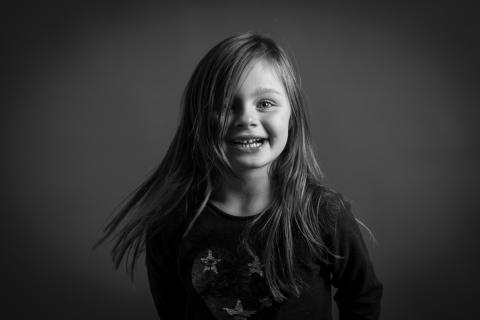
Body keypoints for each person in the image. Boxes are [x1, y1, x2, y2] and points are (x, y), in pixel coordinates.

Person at [96, 32, 383, 319]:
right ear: (200, 119)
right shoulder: (169, 225)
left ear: (292, 117)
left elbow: (362, 297)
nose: (246, 118)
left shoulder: (324, 213)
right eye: (225, 105)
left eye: (265, 104)